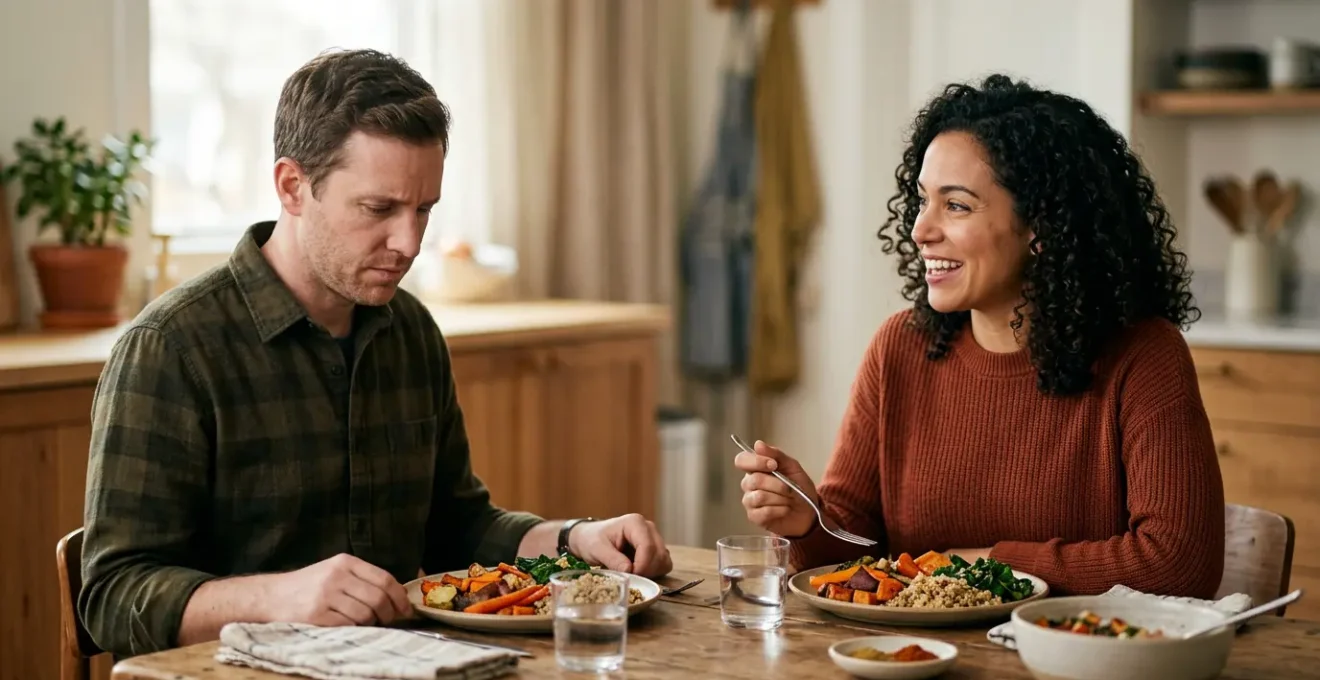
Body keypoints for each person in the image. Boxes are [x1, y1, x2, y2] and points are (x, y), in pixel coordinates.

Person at [79, 48, 673, 659]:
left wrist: (575, 540)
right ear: (292, 186)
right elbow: (110, 597)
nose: (409, 242)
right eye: (379, 209)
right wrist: (277, 598)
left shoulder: (410, 330)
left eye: (424, 210)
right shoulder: (171, 349)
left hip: (405, 664)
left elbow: (458, 526)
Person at [736, 74, 1225, 599]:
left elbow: (1178, 565)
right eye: (923, 200)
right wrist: (808, 521)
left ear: (1040, 226)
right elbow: (860, 546)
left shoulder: (1143, 357)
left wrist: (990, 564)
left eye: (957, 205)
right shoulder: (899, 348)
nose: (921, 229)